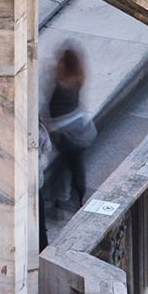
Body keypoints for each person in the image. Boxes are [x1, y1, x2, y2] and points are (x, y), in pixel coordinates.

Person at [41, 46, 96, 222]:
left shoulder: (63, 84)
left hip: (68, 136)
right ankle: (73, 199)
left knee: (68, 167)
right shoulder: (77, 78)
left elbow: (54, 108)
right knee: (73, 167)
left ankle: (64, 201)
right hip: (78, 132)